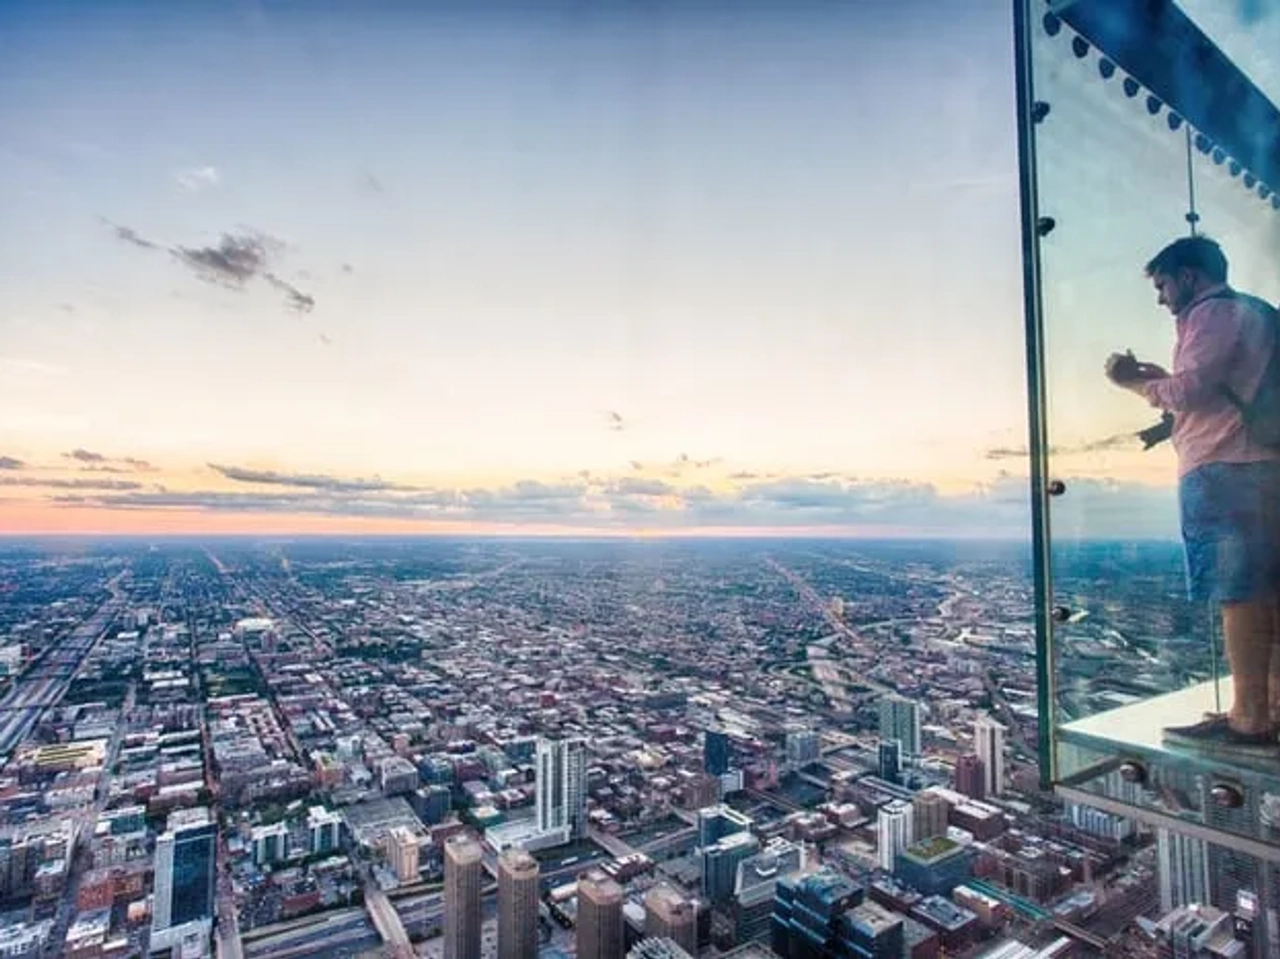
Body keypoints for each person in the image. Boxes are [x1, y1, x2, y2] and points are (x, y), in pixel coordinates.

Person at [1105, 235, 1280, 751]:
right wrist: (1162, 379)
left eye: (1162, 285)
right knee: (1268, 592)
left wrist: (1128, 381)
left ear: (1188, 276)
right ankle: (1270, 706)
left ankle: (1248, 718)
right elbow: (1215, 386)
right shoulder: (1258, 314)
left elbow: (1191, 392)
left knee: (1239, 595)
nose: (1161, 298)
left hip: (1224, 468)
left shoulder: (1212, 314)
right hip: (1264, 464)